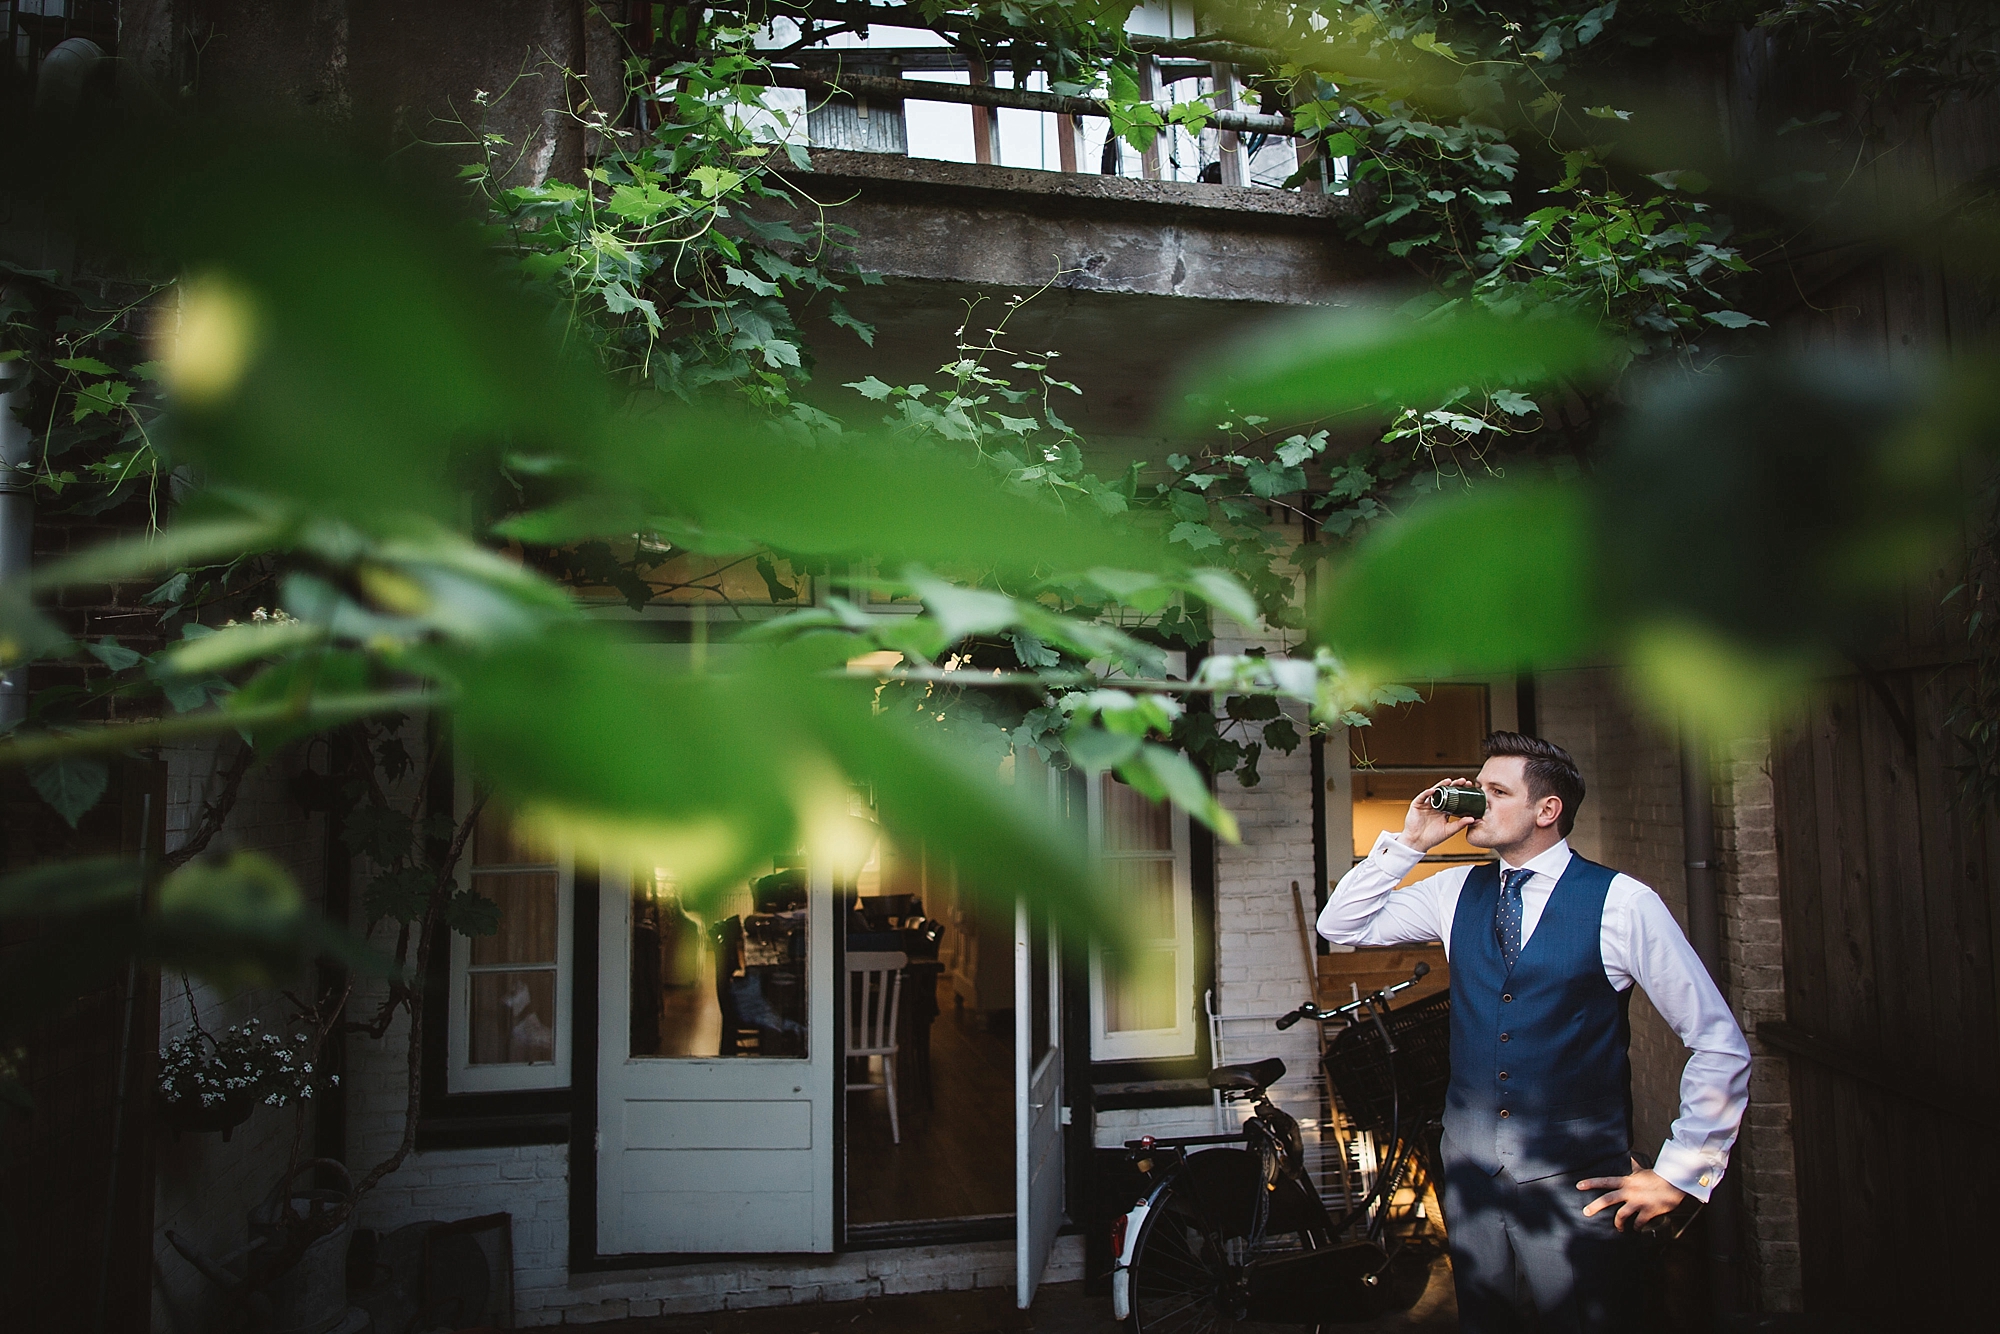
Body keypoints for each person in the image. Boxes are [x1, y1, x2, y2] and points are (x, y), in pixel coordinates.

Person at [1319, 731, 1749, 1333]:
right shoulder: (1453, 892)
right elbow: (1342, 924)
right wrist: (1410, 842)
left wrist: (1681, 1173)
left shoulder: (1622, 903)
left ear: (1548, 811)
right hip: (1470, 1177)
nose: (1474, 801)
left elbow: (1717, 1041)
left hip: (1577, 1185)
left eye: (1496, 791)